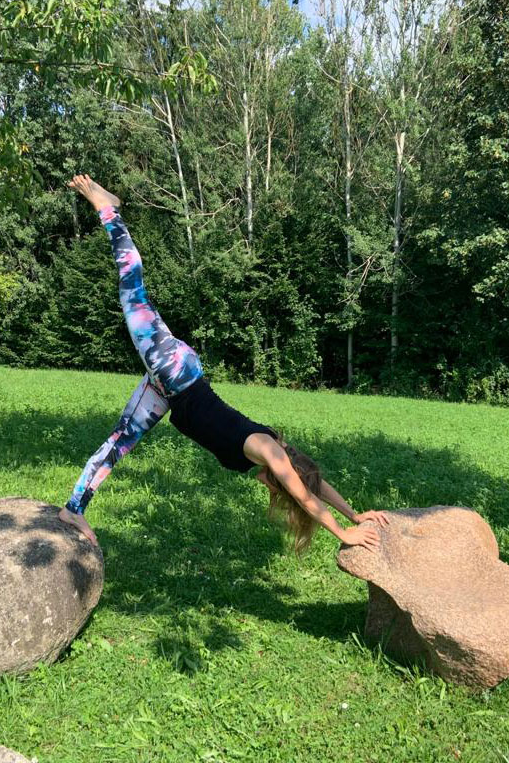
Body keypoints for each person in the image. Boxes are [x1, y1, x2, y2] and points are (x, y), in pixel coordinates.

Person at [57, 175, 390, 551]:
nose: (274, 490)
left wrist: (355, 514)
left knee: (119, 442)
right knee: (132, 289)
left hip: (171, 389)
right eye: (279, 486)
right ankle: (108, 210)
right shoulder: (269, 451)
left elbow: (314, 483)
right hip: (174, 369)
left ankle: (74, 508)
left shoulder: (275, 453)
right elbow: (305, 494)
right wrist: (344, 532)